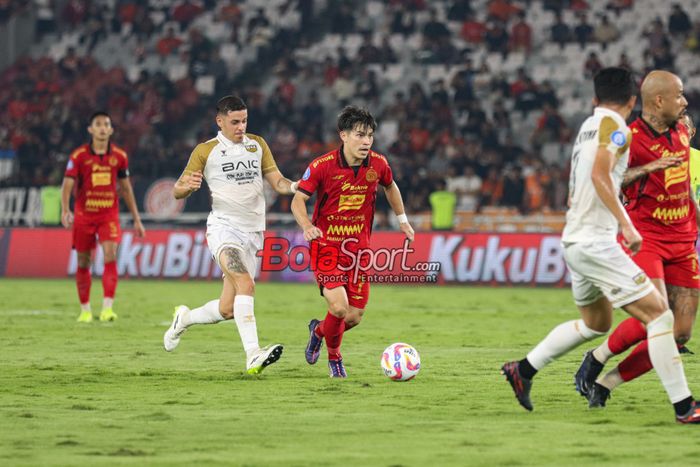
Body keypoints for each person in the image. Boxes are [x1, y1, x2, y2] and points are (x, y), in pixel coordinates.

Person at [501, 67, 700, 423]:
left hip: (575, 242)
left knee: (595, 324)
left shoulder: (589, 127)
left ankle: (524, 369)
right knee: (660, 317)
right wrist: (627, 225)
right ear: (632, 101)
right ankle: (685, 407)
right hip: (597, 243)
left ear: (595, 98)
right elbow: (600, 174)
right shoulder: (618, 131)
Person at [574, 71, 699, 409]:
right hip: (647, 238)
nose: (685, 102)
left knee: (680, 333)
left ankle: (604, 380)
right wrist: (649, 168)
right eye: (679, 95)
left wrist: (695, 213)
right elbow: (607, 181)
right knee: (658, 315)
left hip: (684, 238)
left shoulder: (685, 129)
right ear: (659, 101)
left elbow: (685, 177)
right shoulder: (626, 138)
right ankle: (682, 404)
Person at [163, 95, 296, 375]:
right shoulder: (206, 150)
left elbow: (279, 182)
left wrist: (300, 186)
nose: (241, 127)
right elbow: (177, 190)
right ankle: (252, 355)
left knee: (227, 309)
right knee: (245, 283)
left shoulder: (257, 145)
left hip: (254, 233)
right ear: (219, 121)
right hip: (224, 229)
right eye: (235, 122)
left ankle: (184, 319)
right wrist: (186, 186)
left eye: (244, 120)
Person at [291, 106, 415, 378]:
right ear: (343, 135)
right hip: (326, 248)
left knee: (353, 317)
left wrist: (402, 219)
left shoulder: (378, 164)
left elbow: (390, 186)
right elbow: (297, 199)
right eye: (360, 135)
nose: (366, 141)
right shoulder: (321, 166)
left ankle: (318, 331)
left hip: (358, 252)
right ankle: (335, 359)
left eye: (370, 135)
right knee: (338, 307)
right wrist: (308, 226)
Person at [61, 111, 145, 323]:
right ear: (90, 129)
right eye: (97, 124)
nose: (101, 127)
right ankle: (86, 310)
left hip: (108, 215)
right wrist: (65, 209)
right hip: (83, 215)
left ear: (110, 129)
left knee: (110, 254)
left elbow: (126, 189)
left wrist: (137, 219)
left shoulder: (120, 157)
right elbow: (67, 184)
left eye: (105, 124)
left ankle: (107, 309)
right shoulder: (78, 156)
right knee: (83, 261)